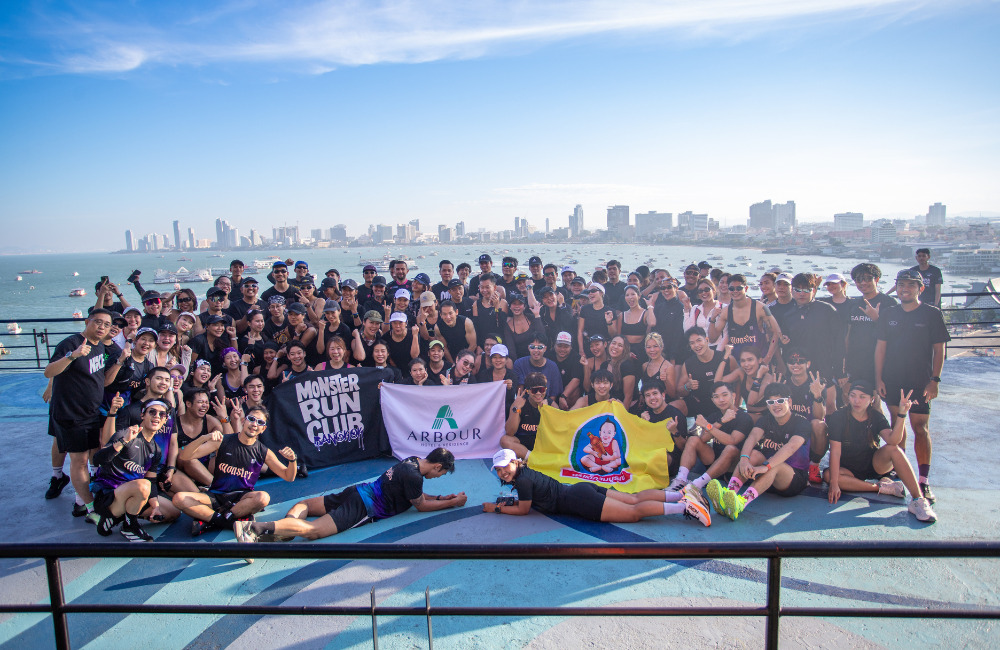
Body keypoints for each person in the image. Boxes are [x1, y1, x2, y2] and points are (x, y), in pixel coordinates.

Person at [234, 449, 466, 543]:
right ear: (437, 466)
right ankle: (255, 529)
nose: (440, 476)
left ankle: (284, 529)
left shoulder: (412, 461)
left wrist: (442, 497)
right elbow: (421, 505)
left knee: (304, 504)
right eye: (443, 472)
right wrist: (454, 503)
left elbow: (416, 494)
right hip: (363, 508)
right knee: (313, 531)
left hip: (356, 491)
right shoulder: (415, 476)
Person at [875, 268, 950, 504]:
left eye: (910, 285)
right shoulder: (889, 314)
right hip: (893, 378)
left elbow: (939, 349)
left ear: (920, 288)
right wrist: (879, 378)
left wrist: (934, 380)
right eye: (900, 285)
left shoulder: (931, 313)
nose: (904, 289)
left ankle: (924, 480)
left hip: (920, 379)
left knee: (920, 427)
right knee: (899, 424)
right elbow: (880, 348)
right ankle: (902, 470)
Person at [484, 449, 710, 526]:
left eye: (506, 467)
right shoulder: (525, 474)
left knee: (633, 513)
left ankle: (685, 507)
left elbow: (524, 510)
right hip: (580, 489)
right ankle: (680, 494)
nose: (503, 472)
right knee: (633, 498)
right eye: (499, 470)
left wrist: (495, 508)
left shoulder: (522, 480)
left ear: (516, 462)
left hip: (579, 501)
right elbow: (529, 500)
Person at [173, 405, 298, 541]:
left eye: (260, 422)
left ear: (263, 429)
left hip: (242, 499)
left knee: (263, 498)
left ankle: (211, 519)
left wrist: (292, 460)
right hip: (216, 496)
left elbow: (289, 476)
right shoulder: (223, 441)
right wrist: (204, 437)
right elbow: (185, 456)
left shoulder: (263, 451)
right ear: (244, 421)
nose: (254, 424)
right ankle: (231, 522)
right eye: (252, 419)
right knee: (179, 499)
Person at [824, 383, 937, 522]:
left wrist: (902, 414)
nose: (856, 401)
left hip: (874, 464)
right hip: (848, 468)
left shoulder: (876, 416)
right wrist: (834, 484)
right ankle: (882, 488)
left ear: (871, 399)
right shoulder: (839, 416)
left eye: (862, 397)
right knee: (829, 476)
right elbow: (835, 451)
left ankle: (918, 500)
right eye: (852, 396)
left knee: (894, 449)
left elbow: (893, 440)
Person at [706, 383, 811, 521]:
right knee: (753, 454)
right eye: (771, 402)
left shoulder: (801, 423)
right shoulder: (766, 420)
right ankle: (729, 495)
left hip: (792, 478)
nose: (776, 405)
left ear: (789, 402)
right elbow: (753, 437)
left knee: (775, 466)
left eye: (780, 401)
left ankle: (740, 503)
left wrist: (766, 466)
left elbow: (791, 447)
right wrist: (743, 459)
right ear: (767, 405)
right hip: (765, 477)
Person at [44, 309, 112, 520]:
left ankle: (81, 500)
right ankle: (90, 509)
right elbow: (49, 371)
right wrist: (72, 356)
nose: (101, 327)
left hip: (90, 412)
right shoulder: (71, 344)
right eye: (98, 322)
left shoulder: (100, 346)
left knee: (88, 457)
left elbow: (100, 378)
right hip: (71, 413)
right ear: (87, 321)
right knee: (80, 461)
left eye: (106, 325)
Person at [90, 401, 182, 542]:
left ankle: (112, 520)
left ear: (165, 420)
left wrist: (155, 507)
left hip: (136, 495)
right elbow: (97, 460)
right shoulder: (125, 434)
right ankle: (129, 526)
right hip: (109, 497)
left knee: (173, 512)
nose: (157, 416)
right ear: (142, 415)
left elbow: (151, 482)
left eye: (162, 414)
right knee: (143, 486)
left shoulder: (156, 449)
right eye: (152, 412)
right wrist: (123, 442)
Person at [666, 382, 753, 500]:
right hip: (714, 462)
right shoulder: (715, 416)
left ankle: (697, 484)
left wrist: (708, 426)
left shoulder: (744, 417)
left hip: (732, 468)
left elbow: (732, 441)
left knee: (730, 449)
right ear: (712, 400)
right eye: (716, 397)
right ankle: (681, 479)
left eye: (724, 395)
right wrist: (721, 421)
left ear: (733, 396)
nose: (721, 400)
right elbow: (703, 438)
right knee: (693, 439)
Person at [708, 273, 779, 365]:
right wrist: (712, 319)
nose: (735, 291)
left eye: (739, 288)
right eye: (731, 289)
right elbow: (712, 338)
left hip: (759, 361)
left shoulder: (760, 307)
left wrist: (767, 358)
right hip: (737, 363)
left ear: (746, 288)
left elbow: (776, 332)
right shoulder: (726, 311)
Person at [845, 263, 896, 388]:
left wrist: (877, 319)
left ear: (877, 279)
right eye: (858, 280)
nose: (863, 283)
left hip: (879, 362)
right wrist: (845, 360)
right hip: (856, 361)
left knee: (876, 399)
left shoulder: (889, 303)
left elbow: (896, 334)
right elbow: (848, 334)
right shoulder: (853, 303)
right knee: (856, 397)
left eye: (868, 278)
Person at [672, 327, 730, 418]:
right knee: (671, 408)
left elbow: (738, 380)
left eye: (699, 340)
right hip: (700, 403)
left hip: (722, 403)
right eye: (692, 343)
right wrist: (688, 386)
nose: (696, 345)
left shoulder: (723, 358)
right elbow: (679, 391)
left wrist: (736, 404)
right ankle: (679, 432)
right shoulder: (688, 364)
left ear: (706, 340)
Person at [501, 372, 551, 459]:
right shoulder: (519, 404)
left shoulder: (551, 404)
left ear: (546, 390)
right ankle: (533, 459)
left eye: (542, 390)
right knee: (504, 440)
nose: (538, 393)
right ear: (528, 391)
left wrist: (546, 411)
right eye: (534, 390)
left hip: (543, 441)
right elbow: (509, 432)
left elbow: (555, 432)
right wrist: (516, 408)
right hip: (523, 442)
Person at [512, 333, 563, 400]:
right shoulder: (519, 363)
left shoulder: (553, 366)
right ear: (528, 348)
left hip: (545, 403)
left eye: (540, 347)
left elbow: (553, 395)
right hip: (526, 402)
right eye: (532, 347)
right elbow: (520, 392)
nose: (536, 350)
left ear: (545, 349)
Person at [617, 285, 652, 363]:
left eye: (633, 294)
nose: (630, 297)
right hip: (625, 351)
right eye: (627, 295)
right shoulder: (621, 315)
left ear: (639, 296)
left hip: (641, 351)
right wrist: (626, 352)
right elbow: (618, 336)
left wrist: (650, 306)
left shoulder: (645, 313)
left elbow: (652, 324)